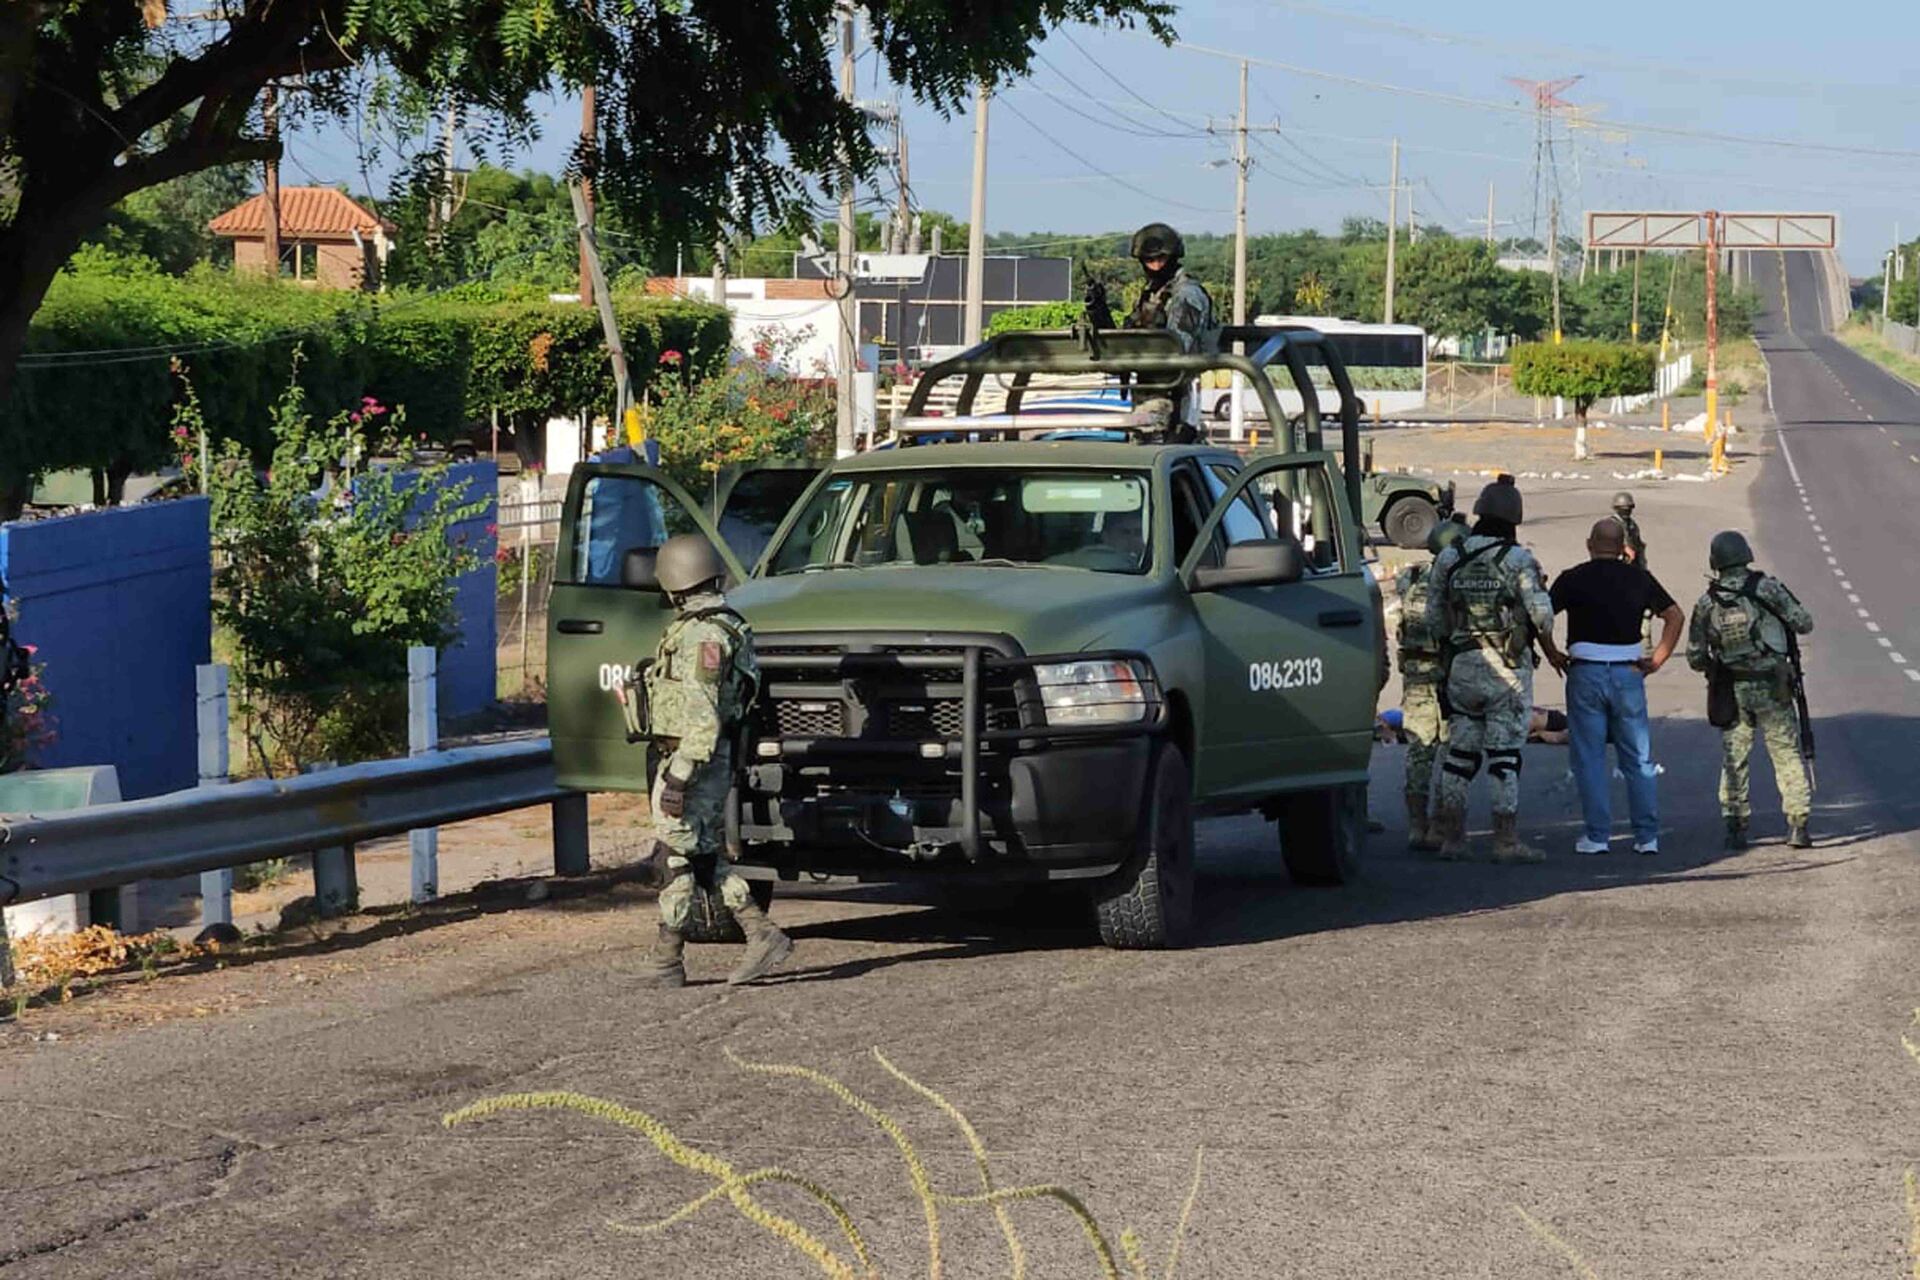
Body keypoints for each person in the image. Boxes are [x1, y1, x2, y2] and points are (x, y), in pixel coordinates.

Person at [638, 534, 792, 988]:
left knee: (676, 853)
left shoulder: (703, 635)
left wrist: (679, 777)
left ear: (674, 581)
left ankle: (670, 956)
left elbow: (703, 718)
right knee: (698, 853)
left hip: (694, 759)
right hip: (700, 756)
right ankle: (755, 934)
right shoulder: (715, 627)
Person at [1426, 477, 1561, 863]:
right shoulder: (1518, 560)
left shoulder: (1450, 557)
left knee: (1460, 755)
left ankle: (1453, 839)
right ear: (1514, 518)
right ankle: (1505, 841)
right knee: (1504, 758)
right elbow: (1543, 617)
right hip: (1507, 671)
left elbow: (1435, 620)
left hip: (1463, 667)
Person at [1545, 519, 1686, 855]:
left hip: (1585, 672)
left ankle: (1597, 836)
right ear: (1623, 546)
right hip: (1628, 672)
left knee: (1589, 757)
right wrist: (1657, 660)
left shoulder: (1572, 578)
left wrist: (1552, 653)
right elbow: (1675, 616)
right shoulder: (1639, 578)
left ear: (1589, 543)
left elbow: (1539, 618)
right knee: (1638, 757)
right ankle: (1647, 836)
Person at [1685, 530, 1816, 850]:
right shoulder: (1767, 588)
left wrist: (1718, 666)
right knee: (1785, 754)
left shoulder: (1707, 603)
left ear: (1715, 561)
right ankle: (1798, 824)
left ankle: (1735, 826)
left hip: (1732, 689)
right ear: (1745, 554)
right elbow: (1803, 622)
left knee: (1734, 758)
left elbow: (1695, 656)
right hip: (1773, 687)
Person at [1393, 515, 1467, 854]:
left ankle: (1416, 826)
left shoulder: (1410, 577)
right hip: (1451, 674)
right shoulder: (1459, 579)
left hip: (1417, 675)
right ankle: (1443, 825)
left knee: (1419, 751)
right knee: (1453, 754)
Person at [1609, 491, 1648, 568]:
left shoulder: (1632, 525)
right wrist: (1624, 548)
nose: (1626, 512)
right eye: (1623, 509)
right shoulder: (1611, 524)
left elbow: (1638, 546)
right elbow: (1606, 545)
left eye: (1628, 509)